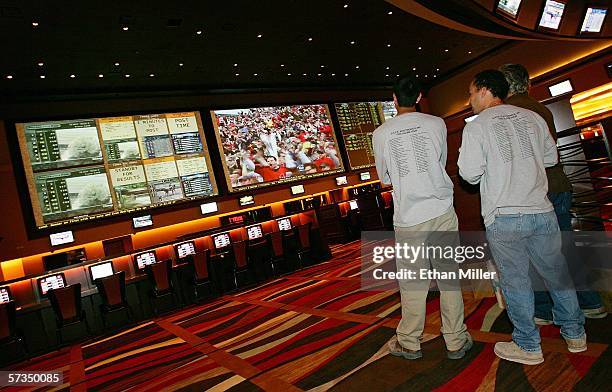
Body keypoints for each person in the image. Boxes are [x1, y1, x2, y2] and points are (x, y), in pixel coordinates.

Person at [458, 69, 586, 365]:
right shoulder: (533, 117)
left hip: (504, 216)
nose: (469, 100)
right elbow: (551, 159)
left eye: (471, 92)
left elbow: (469, 174)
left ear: (486, 90)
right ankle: (575, 333)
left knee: (516, 282)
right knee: (557, 274)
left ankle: (529, 346)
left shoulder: (477, 127)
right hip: (541, 210)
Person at [373, 74, 472, 360]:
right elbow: (440, 162)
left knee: (413, 282)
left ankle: (409, 341)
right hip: (441, 210)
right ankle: (454, 340)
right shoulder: (436, 124)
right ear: (418, 97)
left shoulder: (381, 133)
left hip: (409, 217)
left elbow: (383, 179)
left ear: (393, 100)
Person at [499, 63, 607, 322]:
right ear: (527, 84)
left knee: (533, 255)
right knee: (564, 248)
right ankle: (590, 301)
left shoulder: (508, 114)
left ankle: (545, 308)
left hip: (535, 191)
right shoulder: (541, 109)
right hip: (558, 184)